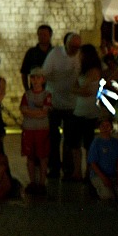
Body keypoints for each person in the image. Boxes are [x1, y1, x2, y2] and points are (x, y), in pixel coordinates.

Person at [41, 32, 81, 180]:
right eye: (73, 46)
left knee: (70, 138)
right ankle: (54, 167)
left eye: (78, 47)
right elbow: (45, 73)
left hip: (72, 103)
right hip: (55, 102)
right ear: (66, 44)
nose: (75, 50)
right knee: (53, 137)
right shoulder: (55, 54)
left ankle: (68, 169)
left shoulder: (79, 56)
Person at [69, 44, 102, 181]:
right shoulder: (82, 71)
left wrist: (75, 90)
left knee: (88, 144)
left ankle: (88, 171)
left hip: (89, 112)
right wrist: (77, 89)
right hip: (79, 110)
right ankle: (77, 171)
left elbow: (85, 90)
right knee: (75, 144)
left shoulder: (94, 71)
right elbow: (77, 87)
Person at [19, 67, 52, 195]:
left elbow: (43, 112)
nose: (35, 80)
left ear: (43, 79)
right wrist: (38, 112)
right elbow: (25, 110)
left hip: (41, 130)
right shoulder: (27, 95)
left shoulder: (46, 94)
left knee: (43, 156)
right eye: (33, 77)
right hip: (30, 129)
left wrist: (30, 112)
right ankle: (33, 182)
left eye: (38, 77)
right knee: (30, 156)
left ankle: (42, 183)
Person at [87, 117, 118, 200]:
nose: (105, 128)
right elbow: (93, 163)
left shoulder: (115, 143)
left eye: (108, 126)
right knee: (108, 196)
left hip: (113, 175)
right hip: (98, 175)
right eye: (103, 126)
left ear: (111, 128)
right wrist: (103, 178)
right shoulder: (96, 143)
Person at [20, 24, 53, 91]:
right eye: (40, 34)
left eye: (44, 35)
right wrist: (27, 90)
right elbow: (24, 72)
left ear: (50, 36)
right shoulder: (31, 52)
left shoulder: (55, 52)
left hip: (52, 91)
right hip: (35, 91)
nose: (42, 37)